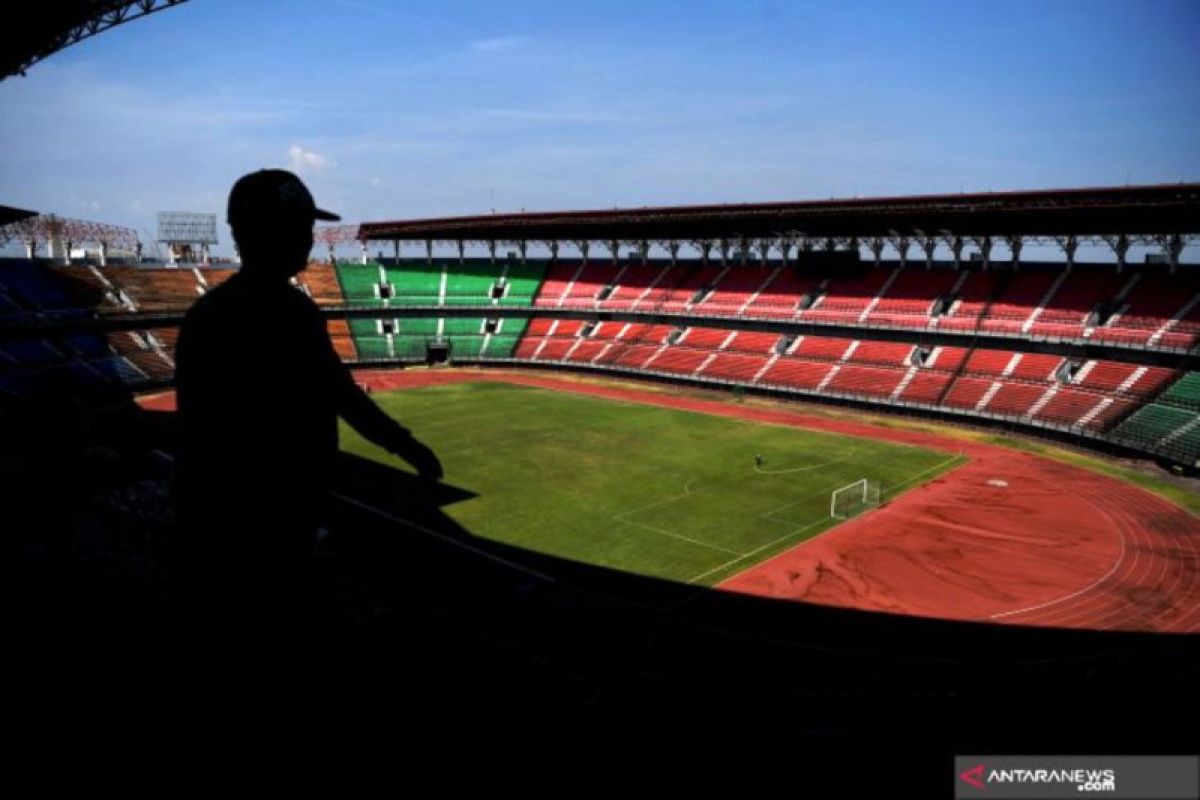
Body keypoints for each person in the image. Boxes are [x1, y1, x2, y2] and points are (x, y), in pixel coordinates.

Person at [172, 168, 442, 632]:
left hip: (223, 531)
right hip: (268, 533)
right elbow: (341, 396)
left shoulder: (208, 315)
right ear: (264, 234)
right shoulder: (292, 314)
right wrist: (407, 447)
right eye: (299, 228)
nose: (308, 239)